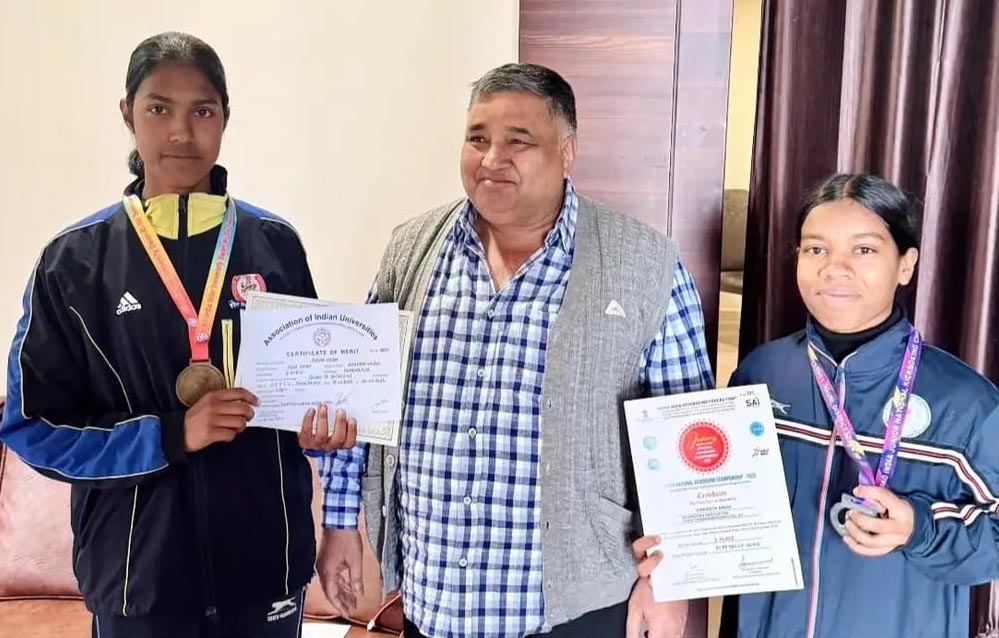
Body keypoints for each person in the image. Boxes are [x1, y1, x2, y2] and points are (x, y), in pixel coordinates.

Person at [316, 63, 713, 638]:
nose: (491, 158)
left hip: (575, 609)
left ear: (567, 151)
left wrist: (670, 584)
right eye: (477, 138)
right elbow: (360, 395)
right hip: (432, 597)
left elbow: (690, 439)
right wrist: (339, 525)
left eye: (518, 141)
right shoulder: (411, 250)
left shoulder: (646, 265)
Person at [0, 31, 355, 638]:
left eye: (203, 111)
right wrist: (169, 434)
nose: (181, 133)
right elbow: (33, 428)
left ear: (225, 117)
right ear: (128, 115)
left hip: (265, 571)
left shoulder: (276, 246)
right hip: (137, 581)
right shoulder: (73, 263)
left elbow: (306, 389)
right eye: (159, 108)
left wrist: (322, 429)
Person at [632, 173, 999, 638]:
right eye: (816, 249)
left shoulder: (966, 403)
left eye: (863, 250)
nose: (834, 268)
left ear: (906, 265)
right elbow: (713, 499)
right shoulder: (761, 373)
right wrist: (674, 550)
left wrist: (919, 528)